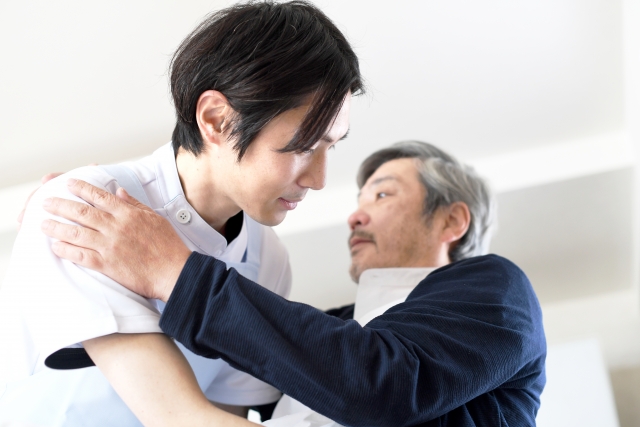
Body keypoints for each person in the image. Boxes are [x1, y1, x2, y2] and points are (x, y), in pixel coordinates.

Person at [0, 1, 362, 426]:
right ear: (216, 119)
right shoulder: (82, 206)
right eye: (303, 146)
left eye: (329, 146)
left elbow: (221, 412)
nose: (319, 179)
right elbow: (178, 418)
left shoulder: (268, 258)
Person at [37, 140, 547, 426]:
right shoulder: (337, 331)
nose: (355, 216)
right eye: (361, 199)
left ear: (452, 222)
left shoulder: (498, 290)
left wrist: (173, 269)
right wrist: (88, 230)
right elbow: (246, 371)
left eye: (382, 195)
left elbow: (382, 387)